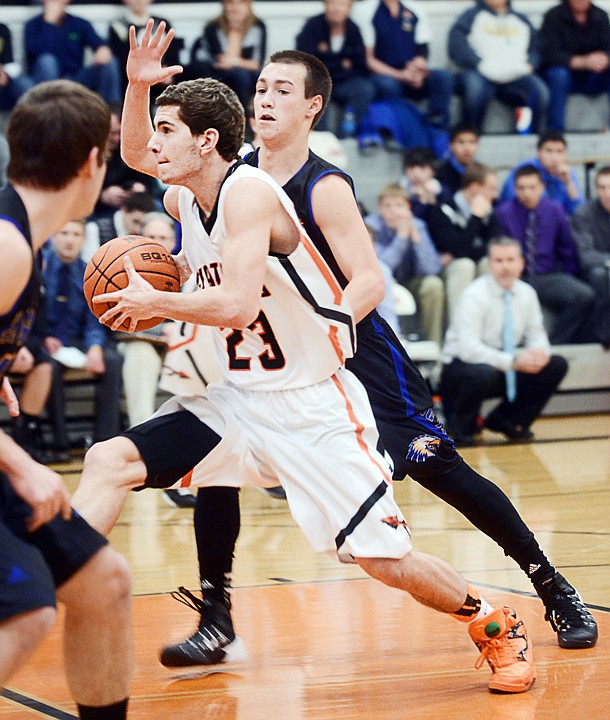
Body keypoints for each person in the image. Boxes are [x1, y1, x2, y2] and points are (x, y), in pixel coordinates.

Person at [71, 24, 540, 696]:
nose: (156, 147)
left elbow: (235, 304)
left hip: (313, 405)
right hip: (237, 398)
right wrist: (141, 84)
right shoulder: (187, 194)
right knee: (107, 460)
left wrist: (157, 301)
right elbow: (138, 149)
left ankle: (494, 622)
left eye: (172, 131)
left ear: (207, 142)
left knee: (387, 563)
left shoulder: (249, 193)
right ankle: (62, 581)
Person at [0, 79, 131, 719]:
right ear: (90, 162)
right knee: (25, 615)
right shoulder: (7, 247)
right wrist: (22, 463)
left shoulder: (23, 235)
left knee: (103, 582)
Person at [440, 237, 569, 445]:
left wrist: (537, 355)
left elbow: (537, 335)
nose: (505, 266)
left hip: (503, 364)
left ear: (521, 263)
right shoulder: (475, 295)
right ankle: (459, 426)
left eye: (510, 260)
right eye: (499, 261)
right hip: (461, 369)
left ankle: (508, 420)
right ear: (490, 265)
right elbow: (468, 350)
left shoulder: (527, 293)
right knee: (482, 373)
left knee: (555, 364)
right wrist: (514, 362)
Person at [42, 219, 124, 456]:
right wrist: (45, 337)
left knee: (114, 360)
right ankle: (60, 443)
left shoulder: (91, 273)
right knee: (49, 367)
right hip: (51, 341)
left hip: (79, 339)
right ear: (53, 236)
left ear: (83, 240)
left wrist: (95, 347)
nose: (70, 239)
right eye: (64, 233)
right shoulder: (41, 269)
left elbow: (94, 319)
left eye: (76, 234)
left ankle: (105, 440)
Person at [494, 164, 595, 344]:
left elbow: (567, 248)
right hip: (516, 276)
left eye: (532, 187)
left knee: (583, 295)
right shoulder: (503, 213)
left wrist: (570, 275)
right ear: (515, 189)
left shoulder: (554, 209)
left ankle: (556, 344)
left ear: (541, 187)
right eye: (521, 188)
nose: (527, 193)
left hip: (546, 276)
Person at [448, 0, 549, 134]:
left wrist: (531, 64)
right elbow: (456, 45)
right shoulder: (470, 16)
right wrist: (478, 63)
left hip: (515, 76)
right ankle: (472, 137)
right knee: (475, 89)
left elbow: (536, 47)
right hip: (480, 73)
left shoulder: (521, 19)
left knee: (539, 92)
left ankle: (527, 137)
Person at [364, 182, 444, 344]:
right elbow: (382, 267)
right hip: (381, 284)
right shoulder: (370, 225)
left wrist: (415, 237)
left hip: (409, 282)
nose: (393, 211)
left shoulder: (417, 225)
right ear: (379, 208)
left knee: (433, 285)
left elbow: (431, 269)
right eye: (387, 206)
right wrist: (401, 237)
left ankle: (433, 346)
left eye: (399, 205)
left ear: (409, 208)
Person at [355, 0, 453, 131]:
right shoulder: (365, 9)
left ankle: (437, 126)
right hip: (382, 73)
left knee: (442, 77)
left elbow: (422, 48)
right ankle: (399, 128)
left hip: (410, 71)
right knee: (387, 85)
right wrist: (401, 75)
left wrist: (418, 70)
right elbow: (369, 59)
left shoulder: (414, 7)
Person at [426, 162, 502, 320]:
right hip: (444, 272)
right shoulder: (442, 209)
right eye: (491, 189)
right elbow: (459, 250)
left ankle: (492, 327)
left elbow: (494, 248)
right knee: (463, 265)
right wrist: (475, 218)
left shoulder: (489, 211)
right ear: (475, 187)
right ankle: (459, 328)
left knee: (489, 263)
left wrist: (461, 250)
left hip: (470, 263)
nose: (495, 195)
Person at [296, 0, 375, 138]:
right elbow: (307, 61)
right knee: (317, 92)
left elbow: (360, 64)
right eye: (332, 4)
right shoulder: (313, 26)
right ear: (325, 5)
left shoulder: (353, 29)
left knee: (365, 89)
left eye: (341, 4)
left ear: (349, 8)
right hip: (319, 81)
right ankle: (322, 136)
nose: (336, 9)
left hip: (344, 82)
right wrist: (340, 64)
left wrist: (328, 61)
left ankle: (346, 134)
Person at [24, 0, 122, 105]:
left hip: (75, 78)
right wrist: (49, 23)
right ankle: (49, 111)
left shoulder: (79, 23)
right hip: (44, 84)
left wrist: (103, 49)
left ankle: (112, 113)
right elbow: (35, 52)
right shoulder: (33, 26)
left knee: (110, 62)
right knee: (47, 61)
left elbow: (98, 42)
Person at [539, 0, 610, 132]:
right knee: (558, 75)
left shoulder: (601, 15)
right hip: (564, 75)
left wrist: (604, 58)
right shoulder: (553, 16)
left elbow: (607, 47)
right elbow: (547, 54)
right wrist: (579, 61)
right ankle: (555, 131)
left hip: (593, 75)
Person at [183, 0, 266, 110]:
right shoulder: (212, 27)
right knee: (240, 76)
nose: (235, 8)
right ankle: (241, 116)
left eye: (241, 3)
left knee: (260, 77)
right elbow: (222, 62)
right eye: (230, 3)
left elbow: (257, 63)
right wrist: (235, 31)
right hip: (213, 71)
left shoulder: (258, 26)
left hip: (245, 72)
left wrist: (236, 62)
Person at [90, 103, 161, 221]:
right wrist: (102, 195)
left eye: (120, 133)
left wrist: (138, 189)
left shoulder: (131, 148)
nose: (116, 138)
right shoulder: (90, 152)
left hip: (131, 206)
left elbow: (150, 181)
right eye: (112, 133)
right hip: (97, 208)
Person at [499, 130, 584, 216]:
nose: (554, 158)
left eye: (559, 152)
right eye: (549, 151)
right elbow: (513, 205)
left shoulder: (567, 173)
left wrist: (569, 183)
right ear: (538, 153)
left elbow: (579, 212)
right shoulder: (523, 171)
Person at [570, 165, 610, 346]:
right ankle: (602, 334)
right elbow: (586, 256)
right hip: (591, 272)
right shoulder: (583, 214)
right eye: (602, 187)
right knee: (600, 275)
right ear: (595, 189)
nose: (607, 193)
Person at [109, 0, 181, 95]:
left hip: (161, 71)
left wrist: (166, 70)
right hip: (133, 76)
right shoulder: (118, 26)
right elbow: (120, 57)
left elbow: (173, 51)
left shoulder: (162, 23)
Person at [85, 188, 158, 262]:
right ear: (124, 210)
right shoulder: (94, 229)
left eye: (142, 224)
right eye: (135, 221)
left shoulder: (146, 234)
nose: (138, 229)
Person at [399, 146, 451, 222]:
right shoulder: (399, 190)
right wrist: (420, 201)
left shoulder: (442, 191)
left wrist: (431, 200)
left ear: (433, 171)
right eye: (411, 168)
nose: (416, 174)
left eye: (422, 168)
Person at [435, 124, 480, 196]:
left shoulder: (482, 173)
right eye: (461, 142)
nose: (467, 148)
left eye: (472, 142)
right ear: (451, 146)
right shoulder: (440, 174)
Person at [0, 22, 34, 112]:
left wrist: (4, 73)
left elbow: (9, 63)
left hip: (3, 78)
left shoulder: (2, 29)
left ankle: (38, 120)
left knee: (24, 84)